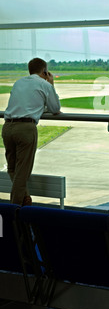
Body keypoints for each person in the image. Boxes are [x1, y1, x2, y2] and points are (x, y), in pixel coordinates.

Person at [2, 58, 61, 206]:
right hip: (26, 128)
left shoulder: (18, 82)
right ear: (45, 72)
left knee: (12, 168)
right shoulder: (44, 84)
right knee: (22, 172)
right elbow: (55, 109)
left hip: (7, 127)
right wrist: (51, 84)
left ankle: (24, 198)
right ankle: (14, 210)